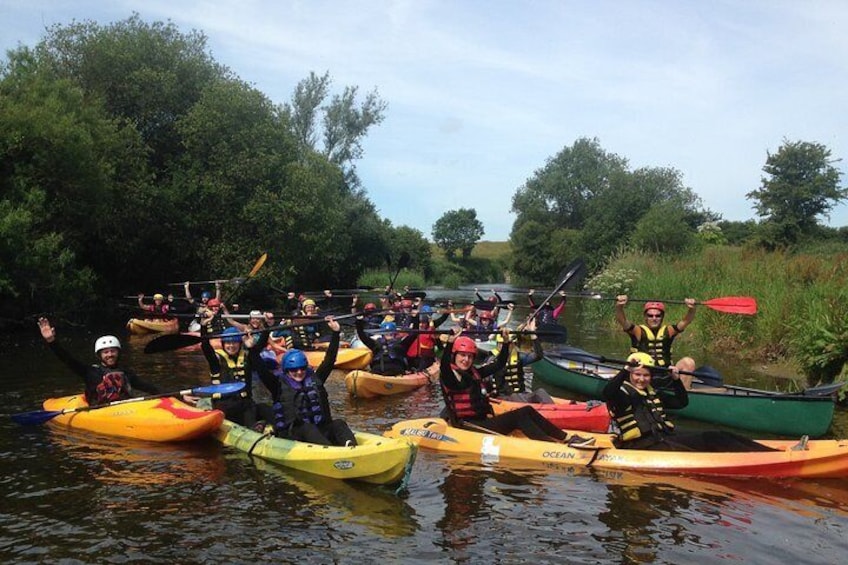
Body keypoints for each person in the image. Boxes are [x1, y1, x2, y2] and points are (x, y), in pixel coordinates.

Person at [602, 353, 780, 452]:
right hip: (641, 446)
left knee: (718, 435)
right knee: (709, 444)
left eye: (646, 375)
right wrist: (625, 370)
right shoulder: (622, 394)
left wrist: (676, 380)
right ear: (630, 375)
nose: (641, 379)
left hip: (663, 437)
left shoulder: (651, 392)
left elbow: (681, 402)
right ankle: (766, 456)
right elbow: (607, 393)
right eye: (637, 375)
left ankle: (769, 452)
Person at [440, 326, 584, 444]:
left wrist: (506, 342)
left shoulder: (474, 372)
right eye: (462, 355)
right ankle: (549, 445)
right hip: (468, 426)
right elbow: (444, 366)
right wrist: (451, 343)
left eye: (469, 356)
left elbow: (499, 363)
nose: (466, 359)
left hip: (484, 420)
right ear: (454, 355)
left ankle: (565, 437)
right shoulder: (450, 377)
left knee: (527, 410)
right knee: (519, 416)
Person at [253, 316, 357, 446]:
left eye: (302, 369)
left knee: (339, 423)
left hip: (320, 430)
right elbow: (260, 367)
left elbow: (329, 360)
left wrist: (335, 333)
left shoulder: (315, 379)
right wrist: (261, 337)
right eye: (294, 370)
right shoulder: (277, 385)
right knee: (307, 428)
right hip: (294, 435)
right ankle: (330, 452)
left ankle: (352, 447)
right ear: (286, 371)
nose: (299, 372)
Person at [37, 317, 160, 405]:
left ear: (118, 352)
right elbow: (67, 359)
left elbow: (148, 387)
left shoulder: (126, 373)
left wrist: (173, 396)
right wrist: (51, 341)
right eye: (106, 352)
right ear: (99, 355)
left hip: (125, 409)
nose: (110, 355)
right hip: (101, 411)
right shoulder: (90, 372)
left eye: (113, 351)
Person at [615, 295, 697, 388]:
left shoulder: (669, 331)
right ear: (645, 317)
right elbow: (622, 320)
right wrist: (619, 306)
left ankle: (684, 394)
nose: (654, 318)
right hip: (643, 376)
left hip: (665, 374)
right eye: (650, 315)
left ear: (662, 317)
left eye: (658, 315)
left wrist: (692, 309)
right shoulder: (638, 331)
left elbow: (686, 321)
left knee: (688, 362)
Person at [199, 322, 259, 427]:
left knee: (257, 409)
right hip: (223, 405)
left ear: (240, 344)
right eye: (228, 343)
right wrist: (204, 326)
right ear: (223, 344)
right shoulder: (216, 362)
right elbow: (206, 347)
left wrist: (252, 347)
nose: (231, 346)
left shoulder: (247, 358)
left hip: (245, 403)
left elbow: (259, 350)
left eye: (234, 343)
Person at [489, 317, 555, 403]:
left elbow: (538, 355)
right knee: (514, 396)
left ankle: (556, 412)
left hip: (522, 395)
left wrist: (533, 334)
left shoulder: (519, 357)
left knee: (540, 392)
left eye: (509, 344)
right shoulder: (492, 360)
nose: (505, 346)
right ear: (497, 344)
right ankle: (529, 412)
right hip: (504, 398)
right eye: (501, 344)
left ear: (513, 344)